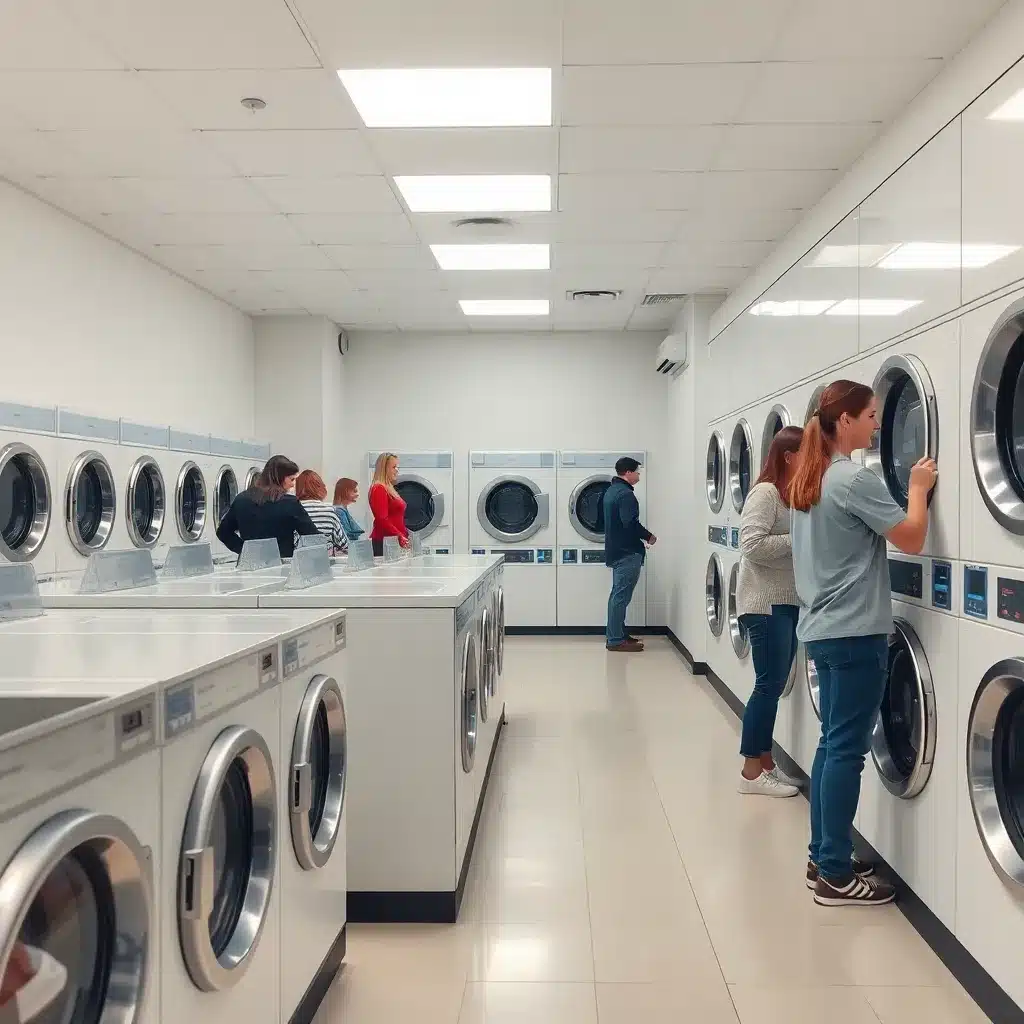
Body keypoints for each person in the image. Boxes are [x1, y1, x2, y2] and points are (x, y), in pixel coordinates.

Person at [788, 379, 936, 908]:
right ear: (844, 421)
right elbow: (912, 537)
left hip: (823, 632)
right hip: (854, 634)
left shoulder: (810, 480)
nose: (878, 424)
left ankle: (822, 857)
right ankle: (833, 874)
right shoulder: (853, 479)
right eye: (872, 415)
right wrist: (917, 489)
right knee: (845, 751)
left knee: (832, 747)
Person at [735, 425, 805, 798]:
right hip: (763, 603)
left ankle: (765, 763)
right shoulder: (765, 493)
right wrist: (803, 539)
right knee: (767, 686)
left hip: (785, 602)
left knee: (773, 686)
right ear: (789, 456)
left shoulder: (790, 494)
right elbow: (752, 544)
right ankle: (750, 773)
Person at [216, 454, 319, 559]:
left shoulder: (241, 500)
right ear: (280, 478)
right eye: (291, 479)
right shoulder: (290, 503)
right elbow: (313, 537)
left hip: (250, 566)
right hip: (282, 566)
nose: (293, 484)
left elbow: (223, 532)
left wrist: (244, 550)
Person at [603, 456, 656, 653]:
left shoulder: (610, 491)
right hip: (627, 553)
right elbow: (630, 524)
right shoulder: (626, 495)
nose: (639, 475)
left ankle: (618, 634)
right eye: (637, 471)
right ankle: (616, 639)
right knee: (620, 596)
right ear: (628, 472)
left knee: (617, 595)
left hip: (616, 550)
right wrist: (648, 537)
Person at [295, 470, 348, 555]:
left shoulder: (294, 509)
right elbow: (344, 544)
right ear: (320, 487)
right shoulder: (329, 510)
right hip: (325, 561)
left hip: (301, 562)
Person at [368, 452, 409, 557]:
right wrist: (399, 536)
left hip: (392, 540)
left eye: (397, 467)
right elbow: (382, 519)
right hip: (385, 542)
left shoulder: (388, 488)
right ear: (384, 468)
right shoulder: (379, 488)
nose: (397, 470)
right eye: (394, 467)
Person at [333, 477, 366, 542]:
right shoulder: (340, 511)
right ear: (345, 491)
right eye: (354, 491)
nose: (357, 494)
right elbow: (348, 535)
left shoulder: (341, 509)